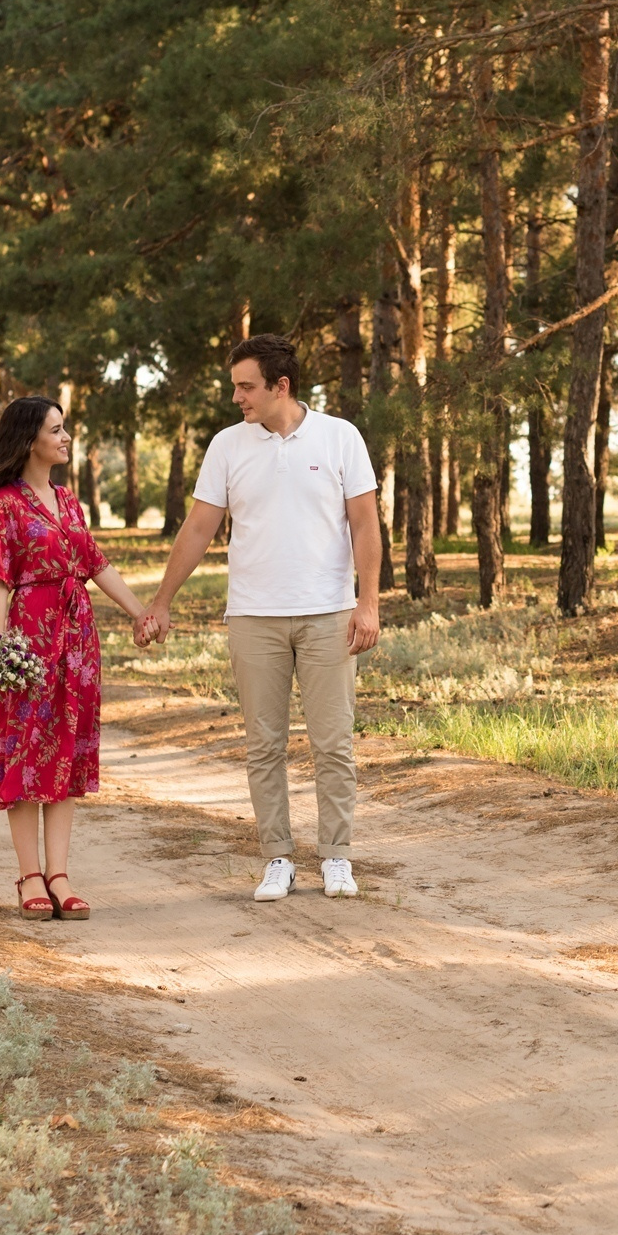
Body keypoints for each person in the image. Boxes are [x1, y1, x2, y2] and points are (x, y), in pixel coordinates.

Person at [138, 334, 382, 901]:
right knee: (264, 745)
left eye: (246, 387)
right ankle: (278, 858)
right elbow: (199, 527)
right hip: (254, 616)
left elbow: (365, 524)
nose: (237, 398)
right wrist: (163, 599)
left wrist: (367, 602)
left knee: (333, 743)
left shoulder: (340, 437)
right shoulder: (227, 446)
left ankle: (336, 858)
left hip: (328, 613)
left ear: (281, 386)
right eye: (235, 387)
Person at [0, 395, 152, 920]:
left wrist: (141, 612)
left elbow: (95, 563)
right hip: (29, 641)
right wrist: (1, 650)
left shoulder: (69, 502)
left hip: (77, 641)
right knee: (28, 753)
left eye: (65, 428)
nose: (66, 437)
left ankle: (60, 874)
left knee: (64, 751)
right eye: (56, 429)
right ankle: (29, 876)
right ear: (30, 440)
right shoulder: (6, 503)